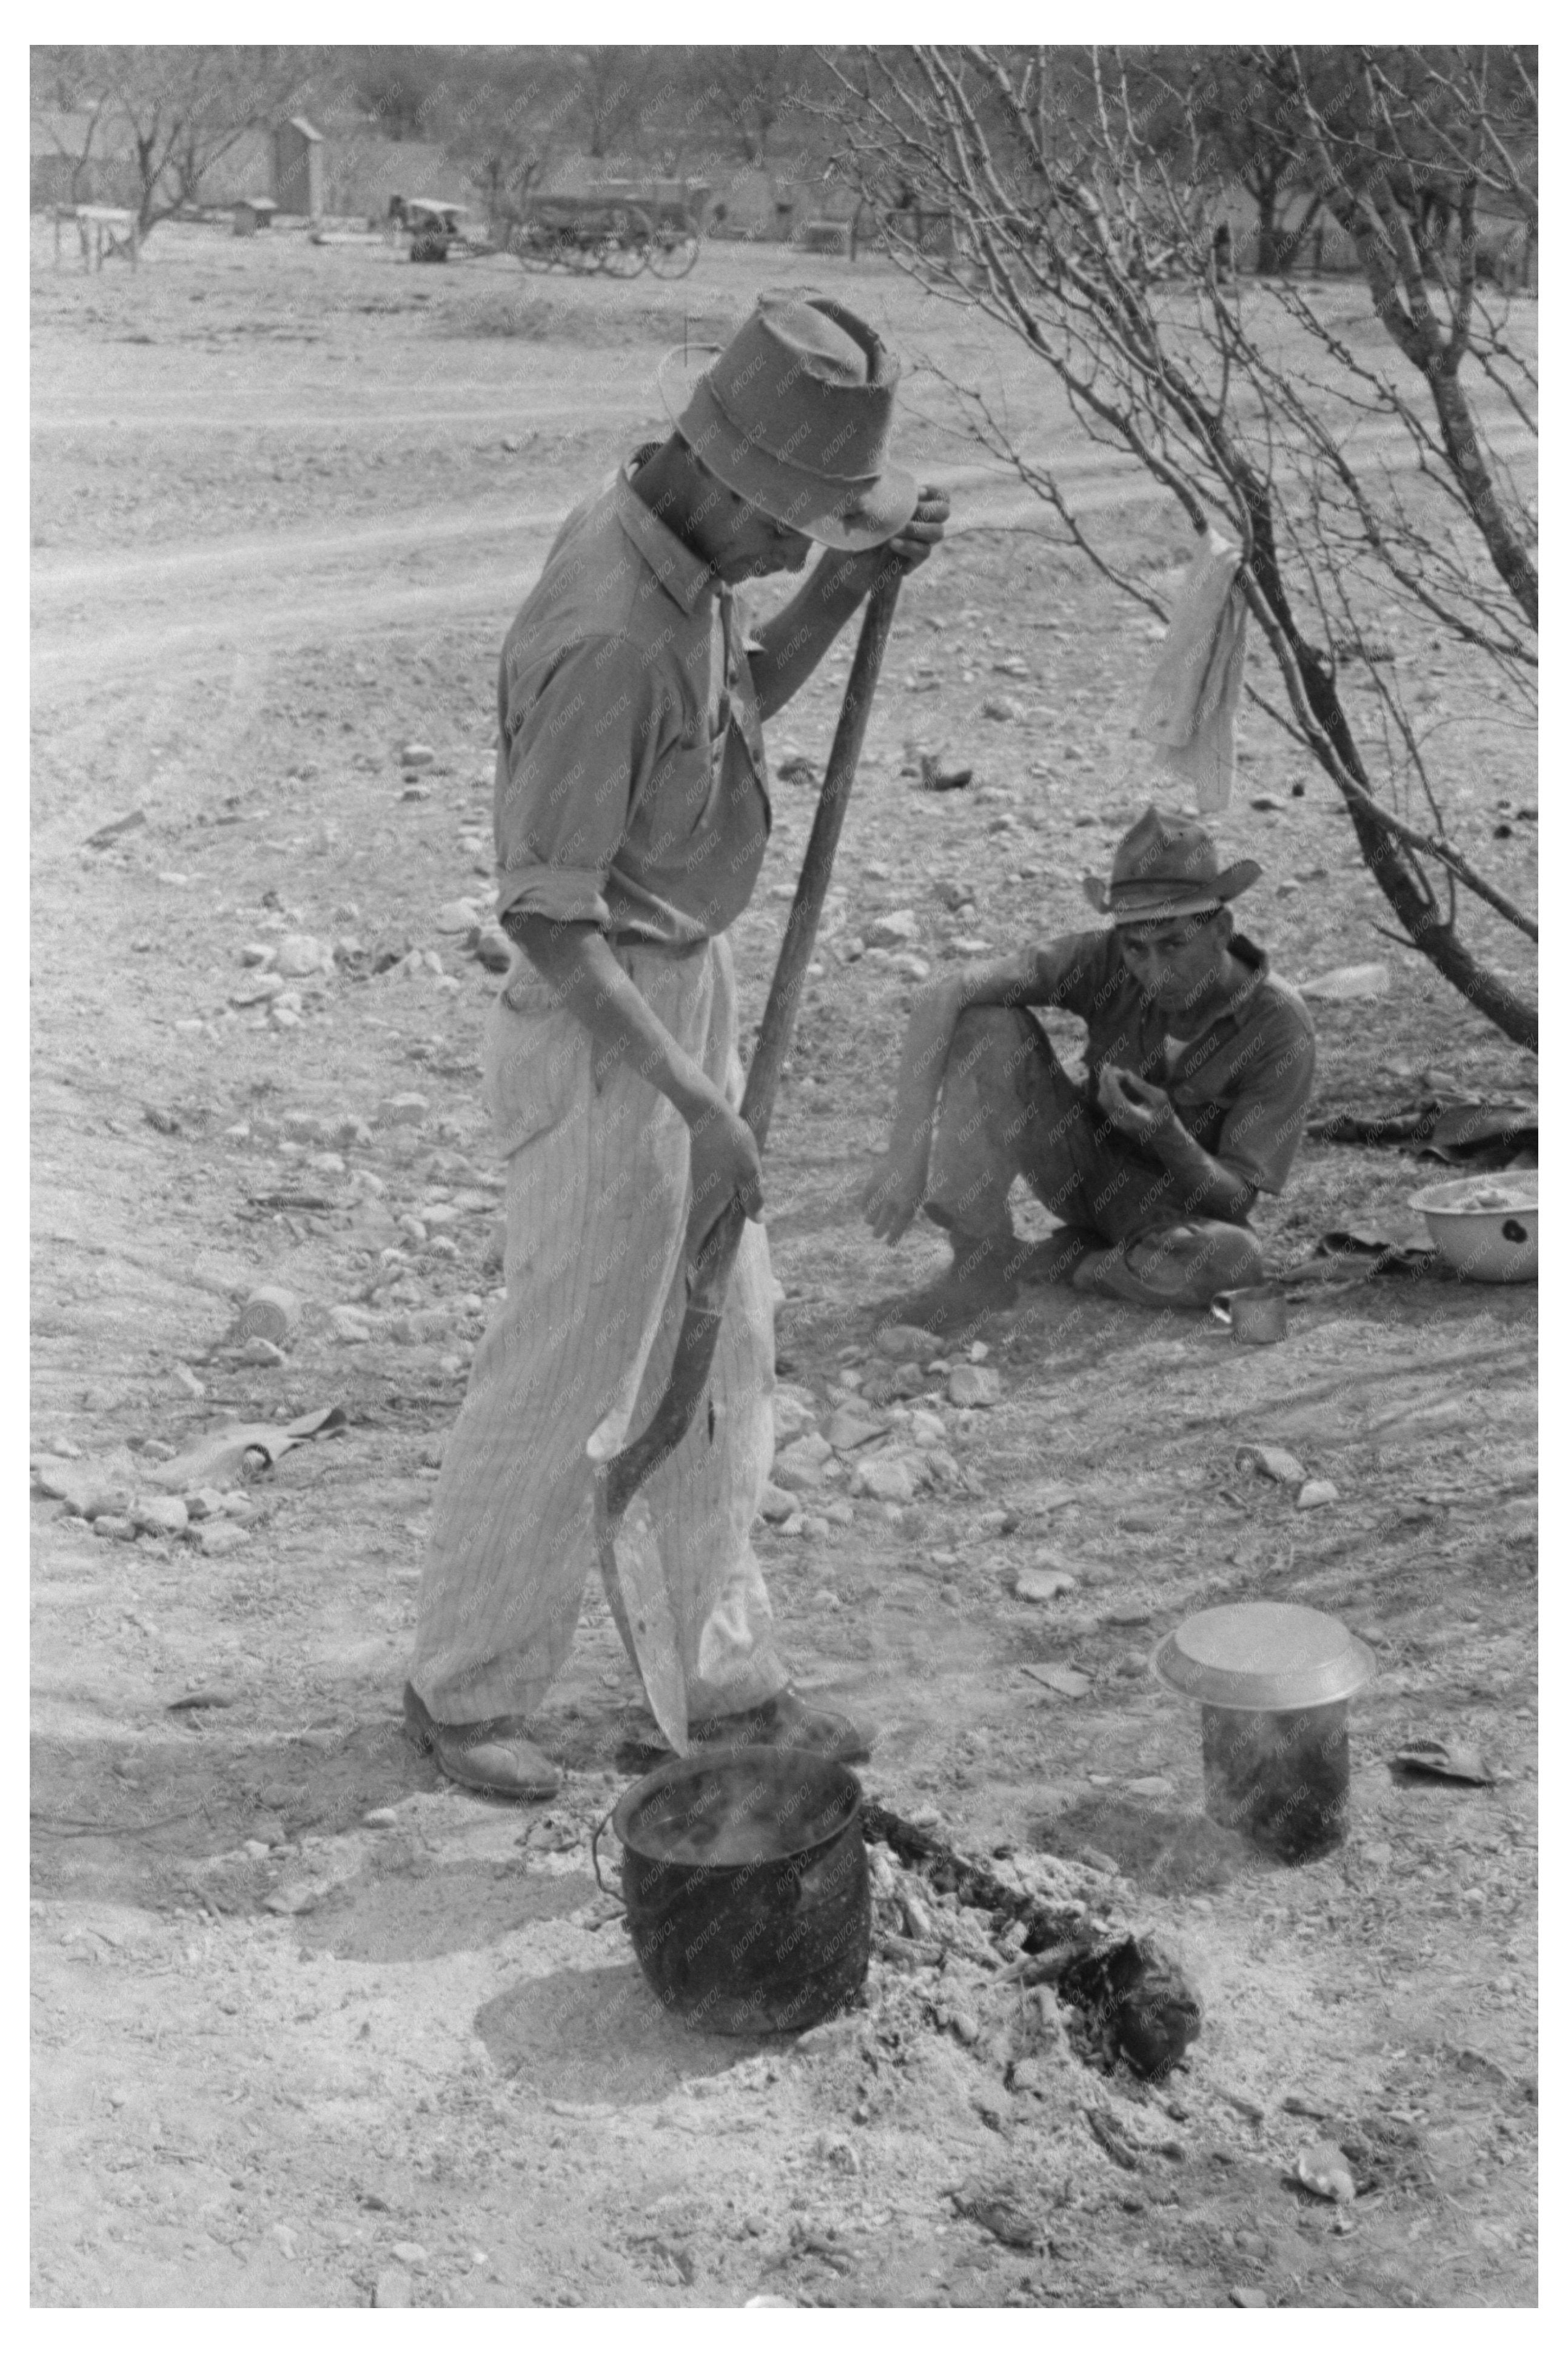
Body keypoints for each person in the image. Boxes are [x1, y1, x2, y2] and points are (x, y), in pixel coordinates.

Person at [404, 294, 950, 1799]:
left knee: (728, 1343)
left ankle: (718, 1681)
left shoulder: (685, 544)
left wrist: (843, 586)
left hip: (673, 990)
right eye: (794, 529)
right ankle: (465, 1687)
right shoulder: (606, 632)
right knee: (574, 1363)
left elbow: (739, 704)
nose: (789, 553)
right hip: (604, 1036)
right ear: (728, 486)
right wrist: (701, 1102)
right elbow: (547, 920)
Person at [861, 806, 1316, 1323]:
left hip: (1177, 1218)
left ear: (1221, 929)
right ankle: (980, 1260)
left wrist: (1170, 1136)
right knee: (987, 1025)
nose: (1155, 971)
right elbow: (942, 995)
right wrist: (905, 1156)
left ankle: (1068, 1263)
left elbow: (1236, 1203)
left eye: (1174, 945)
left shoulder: (1280, 1027)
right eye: (1137, 950)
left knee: (1235, 1262)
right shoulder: (1104, 960)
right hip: (1077, 1166)